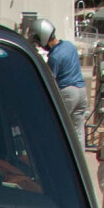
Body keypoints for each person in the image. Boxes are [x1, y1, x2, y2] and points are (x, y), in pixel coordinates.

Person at [36, 17, 88, 147]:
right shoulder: (69, 45)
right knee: (78, 131)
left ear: (43, 37)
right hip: (82, 91)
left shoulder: (54, 57)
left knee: (56, 125)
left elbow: (50, 80)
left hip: (67, 92)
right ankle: (80, 160)